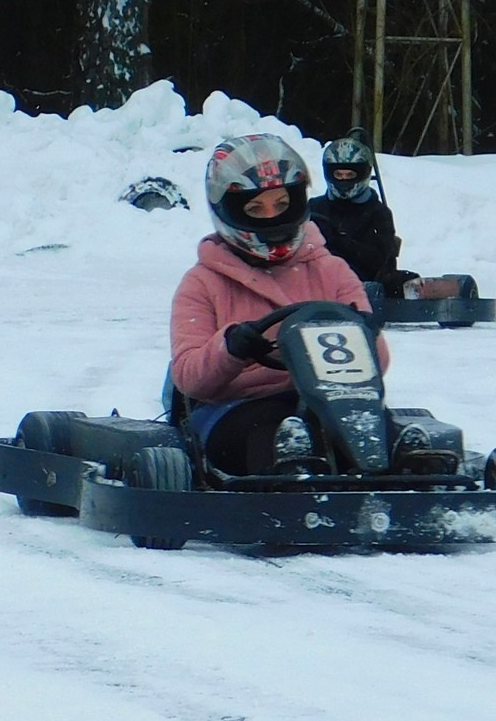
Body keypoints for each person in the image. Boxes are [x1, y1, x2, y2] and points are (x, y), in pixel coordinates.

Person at [170, 132, 391, 473]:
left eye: (281, 204)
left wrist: (366, 333)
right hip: (237, 408)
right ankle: (286, 499)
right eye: (255, 208)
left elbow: (379, 364)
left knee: (380, 427)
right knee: (275, 431)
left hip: (331, 402)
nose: (272, 217)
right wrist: (230, 348)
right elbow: (187, 376)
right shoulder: (202, 282)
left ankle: (418, 484)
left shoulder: (331, 271)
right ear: (229, 211)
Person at [309, 135, 414, 292]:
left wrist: (337, 241)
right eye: (339, 175)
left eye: (350, 175)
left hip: (363, 290)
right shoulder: (315, 208)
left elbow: (377, 261)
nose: (344, 180)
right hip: (315, 287)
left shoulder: (378, 213)